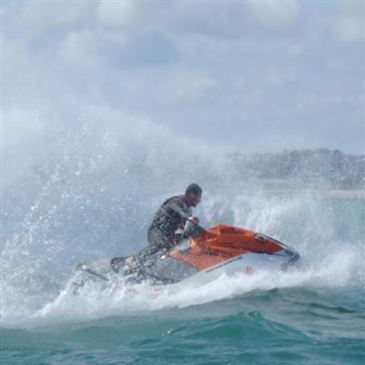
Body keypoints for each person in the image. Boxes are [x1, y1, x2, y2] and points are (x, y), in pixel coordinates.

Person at [130, 183, 203, 266]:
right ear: (191, 194)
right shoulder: (176, 201)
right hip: (156, 231)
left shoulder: (188, 210)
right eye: (198, 196)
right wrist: (188, 217)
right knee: (160, 244)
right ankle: (133, 260)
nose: (199, 199)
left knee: (177, 247)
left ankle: (151, 265)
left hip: (168, 236)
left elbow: (184, 229)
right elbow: (178, 210)